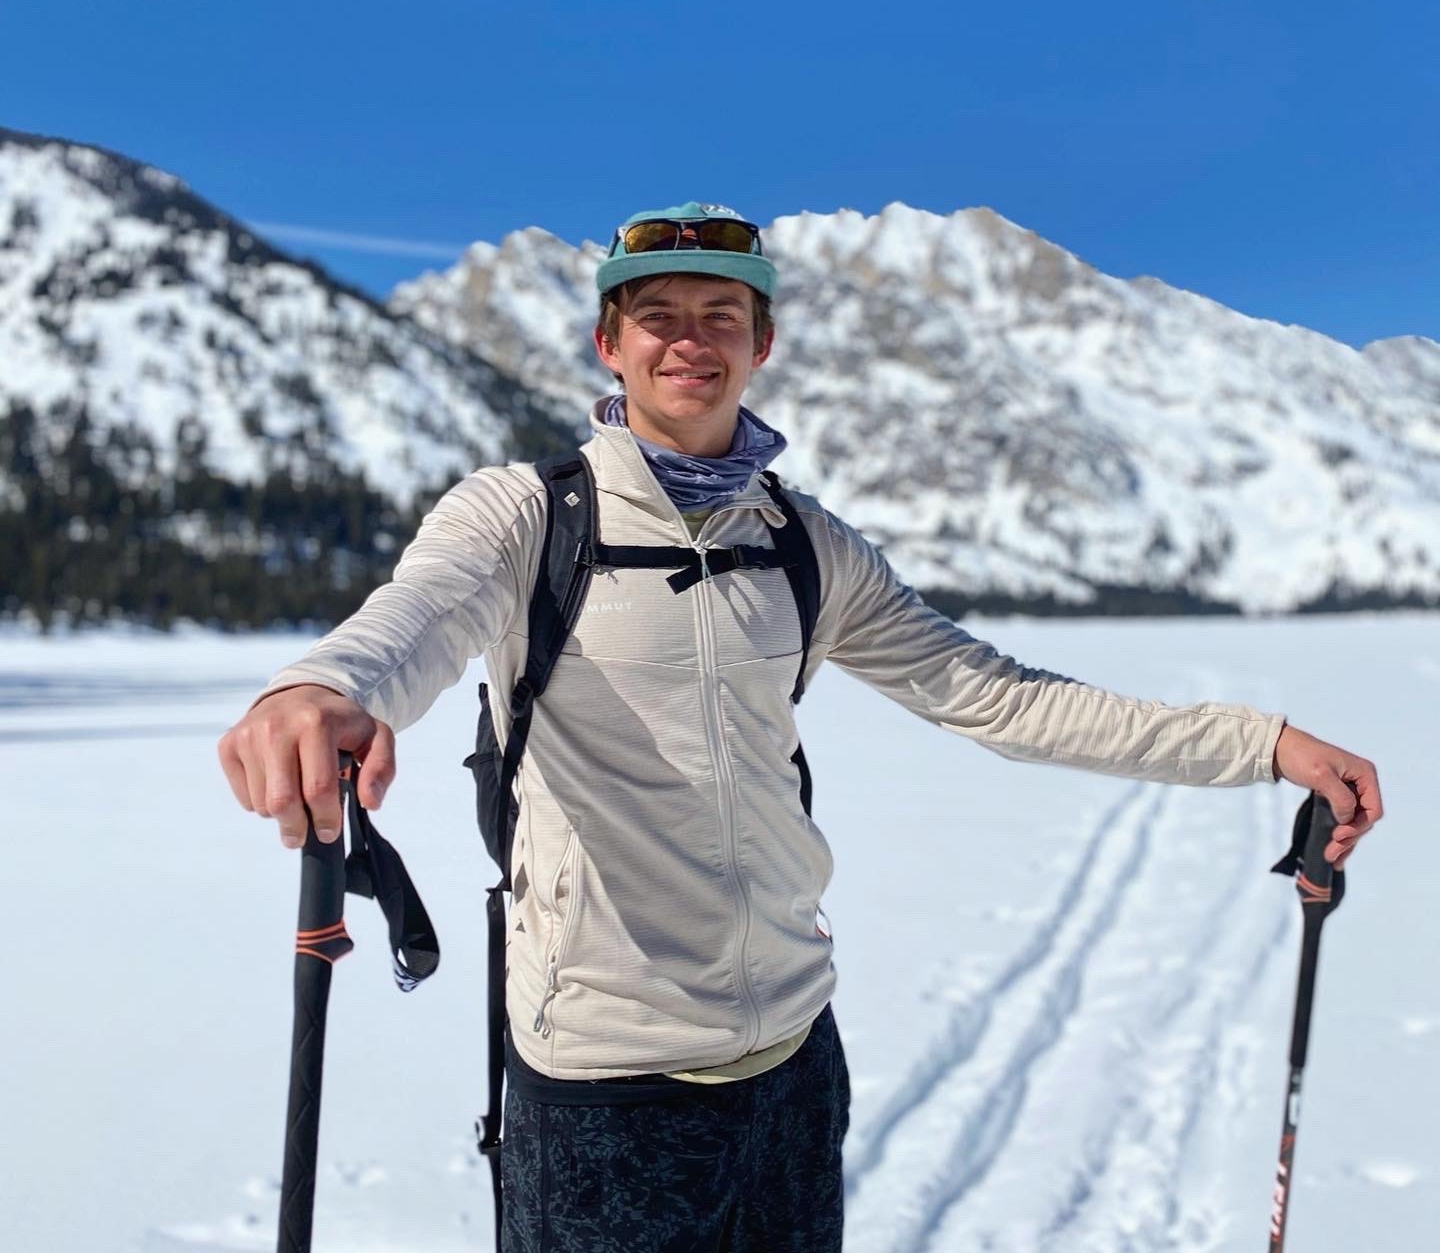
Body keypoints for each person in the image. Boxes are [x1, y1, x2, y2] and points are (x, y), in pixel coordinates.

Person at [218, 200, 1383, 1253]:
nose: (691, 338)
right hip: (605, 1083)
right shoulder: (528, 515)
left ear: (760, 343)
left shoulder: (801, 542)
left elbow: (998, 693)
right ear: (608, 346)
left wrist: (1263, 744)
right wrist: (319, 689)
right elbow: (411, 618)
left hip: (791, 1057)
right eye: (658, 314)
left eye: (722, 313)